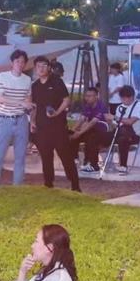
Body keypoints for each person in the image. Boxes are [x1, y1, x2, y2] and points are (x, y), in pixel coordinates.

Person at [30, 55, 81, 192]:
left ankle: (75, 185)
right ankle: (48, 184)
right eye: (39, 66)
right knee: (46, 157)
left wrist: (57, 112)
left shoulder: (57, 81)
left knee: (66, 156)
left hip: (58, 127)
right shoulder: (34, 86)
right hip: (42, 128)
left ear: (49, 68)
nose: (41, 69)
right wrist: (32, 121)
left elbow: (66, 100)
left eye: (44, 66)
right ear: (35, 69)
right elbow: (34, 106)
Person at [0, 49, 32, 187]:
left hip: (21, 120)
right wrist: (21, 103)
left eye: (23, 62)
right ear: (12, 63)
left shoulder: (27, 80)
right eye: (17, 61)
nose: (20, 64)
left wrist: (29, 104)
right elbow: (0, 98)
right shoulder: (2, 76)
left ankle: (17, 187)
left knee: (20, 157)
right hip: (4, 120)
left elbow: (28, 99)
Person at [106, 85, 140, 173]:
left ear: (131, 97)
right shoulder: (120, 107)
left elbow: (130, 122)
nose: (123, 101)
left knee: (123, 137)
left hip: (135, 135)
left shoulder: (139, 106)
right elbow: (116, 125)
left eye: (124, 99)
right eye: (121, 98)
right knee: (99, 135)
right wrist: (110, 121)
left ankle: (123, 166)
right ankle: (92, 164)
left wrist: (115, 118)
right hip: (120, 133)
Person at [70, 87, 110, 173]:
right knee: (73, 136)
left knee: (90, 137)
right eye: (86, 96)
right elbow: (82, 119)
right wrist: (72, 131)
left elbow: (92, 122)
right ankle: (74, 159)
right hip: (89, 130)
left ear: (96, 96)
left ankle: (93, 165)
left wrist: (80, 132)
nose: (87, 98)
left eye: (90, 96)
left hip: (100, 131)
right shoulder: (87, 106)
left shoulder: (101, 106)